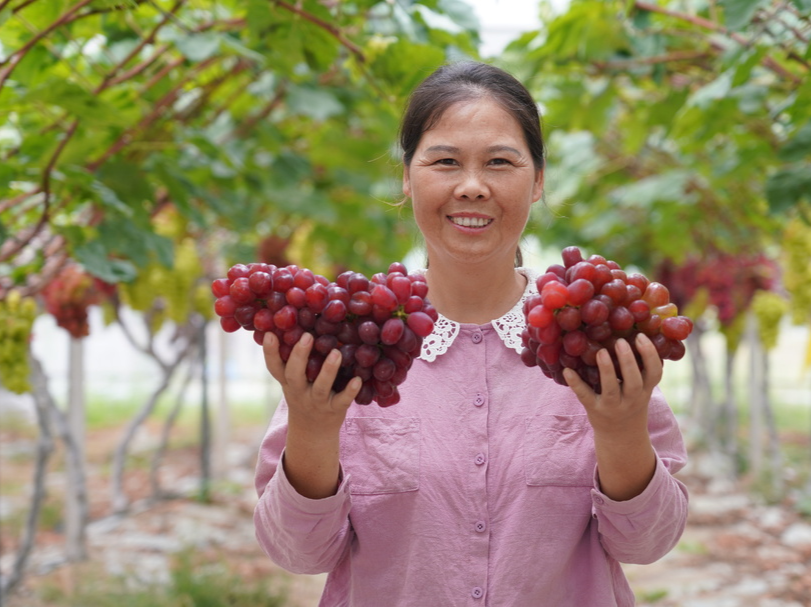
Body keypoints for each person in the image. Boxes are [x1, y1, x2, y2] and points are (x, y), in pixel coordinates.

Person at [253, 61, 688, 606]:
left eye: (501, 162)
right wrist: (313, 432)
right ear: (408, 178)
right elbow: (298, 554)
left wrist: (623, 431)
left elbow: (647, 544)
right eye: (445, 161)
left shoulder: (588, 342)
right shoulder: (354, 347)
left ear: (538, 181)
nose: (473, 186)